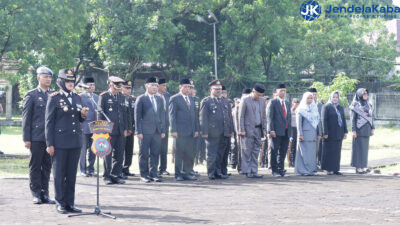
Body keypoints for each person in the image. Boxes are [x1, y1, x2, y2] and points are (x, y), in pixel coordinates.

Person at [45, 69, 88, 214]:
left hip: (75, 142)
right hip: (59, 143)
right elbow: (49, 123)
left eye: (72, 81)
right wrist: (49, 144)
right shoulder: (54, 98)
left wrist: (82, 115)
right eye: (67, 81)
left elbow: (78, 119)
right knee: (59, 174)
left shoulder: (77, 97)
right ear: (61, 82)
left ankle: (70, 203)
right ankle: (60, 203)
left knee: (71, 174)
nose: (70, 83)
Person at [22, 66, 55, 205]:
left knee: (47, 166)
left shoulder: (54, 95)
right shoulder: (32, 95)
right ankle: (36, 193)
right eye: (45, 76)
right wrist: (26, 138)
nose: (48, 79)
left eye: (49, 77)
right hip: (36, 137)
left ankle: (45, 193)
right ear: (38, 78)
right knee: (35, 166)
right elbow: (26, 118)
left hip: (50, 139)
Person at [97, 76, 129, 185]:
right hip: (108, 131)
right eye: (116, 87)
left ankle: (116, 175)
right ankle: (106, 176)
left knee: (119, 154)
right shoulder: (104, 96)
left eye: (119, 87)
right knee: (107, 154)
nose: (118, 90)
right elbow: (100, 114)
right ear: (110, 85)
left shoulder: (121, 96)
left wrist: (125, 128)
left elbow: (124, 114)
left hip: (120, 130)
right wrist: (101, 130)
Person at [200, 80, 234, 180]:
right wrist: (204, 132)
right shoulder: (206, 101)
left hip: (224, 132)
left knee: (220, 154)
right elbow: (203, 118)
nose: (219, 91)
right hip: (212, 133)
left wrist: (230, 130)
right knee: (211, 154)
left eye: (220, 89)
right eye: (216, 89)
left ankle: (218, 172)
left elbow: (229, 118)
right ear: (211, 89)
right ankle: (211, 173)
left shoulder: (225, 101)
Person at [135, 77, 166, 183]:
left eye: (156, 85)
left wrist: (163, 130)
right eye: (152, 85)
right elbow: (137, 116)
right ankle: (144, 175)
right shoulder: (141, 98)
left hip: (157, 131)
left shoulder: (159, 99)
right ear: (146, 86)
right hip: (144, 131)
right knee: (143, 153)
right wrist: (138, 131)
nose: (155, 87)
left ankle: (154, 174)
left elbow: (162, 116)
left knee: (155, 153)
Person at [169, 78, 199, 181]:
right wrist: (173, 130)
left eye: (189, 87)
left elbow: (194, 116)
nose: (187, 89)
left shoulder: (191, 99)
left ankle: (187, 173)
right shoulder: (175, 98)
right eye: (185, 87)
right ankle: (178, 174)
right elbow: (172, 116)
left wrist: (196, 129)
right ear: (180, 87)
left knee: (189, 153)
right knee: (179, 153)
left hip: (191, 131)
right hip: (180, 131)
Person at [238, 83, 267, 178]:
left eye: (261, 95)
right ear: (253, 91)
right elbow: (241, 116)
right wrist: (241, 129)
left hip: (258, 129)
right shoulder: (245, 100)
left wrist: (264, 129)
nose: (259, 97)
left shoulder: (262, 101)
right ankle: (247, 171)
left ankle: (254, 171)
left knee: (256, 151)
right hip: (247, 129)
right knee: (247, 151)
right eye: (258, 95)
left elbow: (263, 116)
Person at [267, 84, 291, 177]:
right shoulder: (273, 102)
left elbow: (288, 117)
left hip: (286, 131)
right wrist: (271, 130)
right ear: (276, 92)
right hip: (276, 131)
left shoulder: (287, 103)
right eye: (281, 90)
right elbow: (270, 117)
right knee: (274, 150)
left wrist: (290, 131)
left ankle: (281, 169)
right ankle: (274, 170)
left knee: (283, 151)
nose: (283, 92)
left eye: (284, 90)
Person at [294, 92, 321, 176]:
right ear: (304, 98)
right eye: (308, 98)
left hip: (313, 135)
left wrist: (318, 133)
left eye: (311, 98)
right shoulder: (300, 109)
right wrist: (300, 134)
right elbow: (299, 124)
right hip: (304, 135)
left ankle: (311, 170)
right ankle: (303, 170)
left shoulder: (314, 108)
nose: (310, 100)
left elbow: (317, 123)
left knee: (312, 154)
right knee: (304, 153)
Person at [321, 91, 348, 175]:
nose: (335, 99)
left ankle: (336, 169)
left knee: (337, 151)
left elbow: (343, 120)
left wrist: (345, 131)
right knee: (329, 151)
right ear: (331, 97)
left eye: (336, 97)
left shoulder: (340, 107)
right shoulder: (326, 107)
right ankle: (328, 169)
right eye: (334, 97)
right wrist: (325, 132)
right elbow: (323, 120)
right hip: (329, 133)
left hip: (339, 133)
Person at [350, 88, 375, 174]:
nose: (365, 95)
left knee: (364, 150)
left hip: (367, 130)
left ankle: (363, 166)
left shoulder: (369, 104)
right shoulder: (355, 105)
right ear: (359, 94)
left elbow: (371, 118)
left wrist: (373, 128)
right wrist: (353, 130)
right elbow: (352, 119)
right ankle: (358, 167)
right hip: (358, 130)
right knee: (358, 149)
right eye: (364, 94)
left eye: (366, 94)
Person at [78, 77, 98, 177]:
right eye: (90, 85)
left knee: (93, 149)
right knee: (83, 149)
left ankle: (91, 169)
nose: (92, 87)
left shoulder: (97, 97)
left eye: (93, 85)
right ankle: (83, 169)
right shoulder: (80, 96)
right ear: (85, 86)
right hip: (84, 126)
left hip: (95, 127)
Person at [121, 81, 136, 177]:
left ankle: (126, 168)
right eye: (126, 88)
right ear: (121, 88)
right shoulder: (119, 98)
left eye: (129, 88)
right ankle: (119, 169)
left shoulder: (133, 99)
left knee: (129, 150)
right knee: (120, 150)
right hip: (122, 129)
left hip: (131, 128)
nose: (128, 90)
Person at [157, 78, 171, 176]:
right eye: (163, 86)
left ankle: (163, 168)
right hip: (155, 127)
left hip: (165, 127)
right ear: (158, 86)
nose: (165, 87)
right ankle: (153, 168)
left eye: (165, 85)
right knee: (154, 149)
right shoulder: (153, 97)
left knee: (164, 148)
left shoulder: (167, 96)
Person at [191, 84, 206, 165]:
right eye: (192, 89)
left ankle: (197, 160)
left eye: (194, 89)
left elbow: (199, 114)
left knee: (198, 145)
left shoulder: (197, 99)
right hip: (188, 126)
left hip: (197, 125)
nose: (194, 91)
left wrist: (200, 128)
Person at [309, 88, 323, 168]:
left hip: (318, 131)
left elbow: (321, 120)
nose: (314, 96)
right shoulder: (306, 105)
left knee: (317, 148)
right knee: (310, 148)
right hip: (309, 131)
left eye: (315, 95)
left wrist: (320, 132)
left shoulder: (320, 105)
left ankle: (315, 163)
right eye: (312, 95)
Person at [287, 98, 299, 168]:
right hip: (291, 129)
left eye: (298, 103)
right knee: (291, 146)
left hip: (297, 129)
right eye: (295, 103)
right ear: (292, 104)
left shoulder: (299, 111)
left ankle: (295, 160)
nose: (297, 105)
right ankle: (290, 161)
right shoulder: (290, 111)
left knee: (296, 146)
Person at [260, 96, 270, 168]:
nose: (267, 102)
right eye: (266, 101)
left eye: (267, 101)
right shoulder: (261, 109)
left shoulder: (269, 109)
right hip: (262, 131)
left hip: (268, 130)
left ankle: (266, 162)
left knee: (267, 148)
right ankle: (262, 162)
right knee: (262, 148)